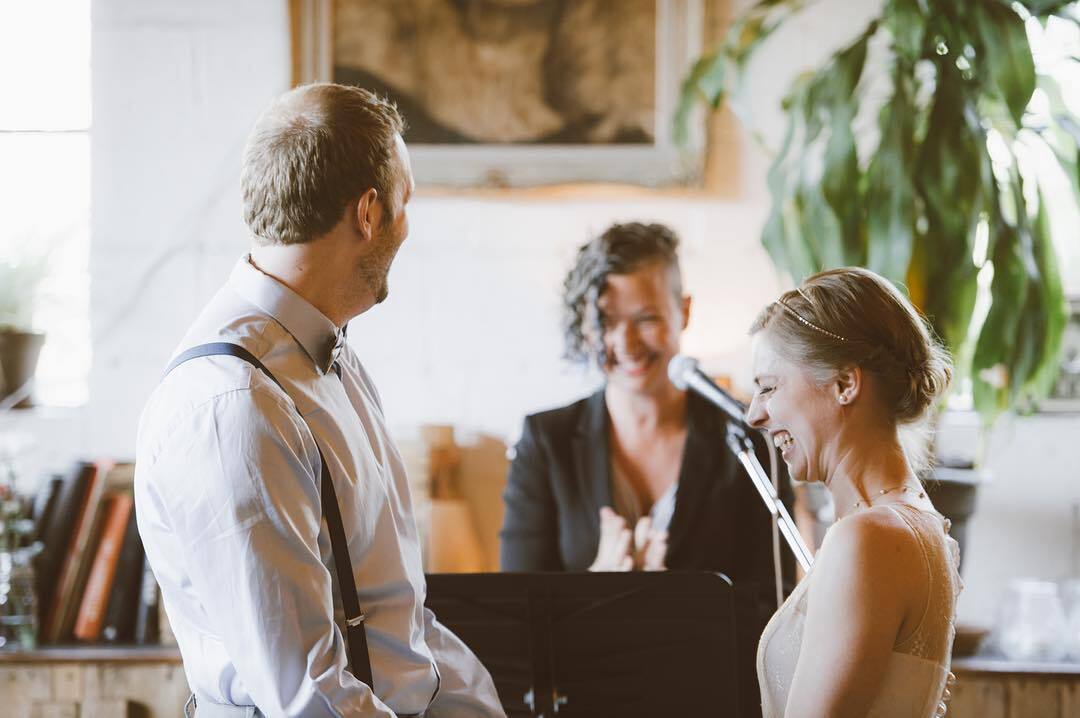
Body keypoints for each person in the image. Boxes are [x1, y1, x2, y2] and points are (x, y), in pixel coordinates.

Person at [135, 84, 505, 718]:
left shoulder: (333, 359)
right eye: (405, 201)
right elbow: (308, 696)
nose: (407, 224)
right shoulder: (233, 407)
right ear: (368, 213)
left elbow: (397, 618)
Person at [499, 221, 793, 716]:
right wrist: (595, 587)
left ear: (684, 312)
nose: (626, 342)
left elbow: (772, 614)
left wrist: (670, 607)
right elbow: (516, 626)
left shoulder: (745, 439)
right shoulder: (545, 443)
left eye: (647, 318)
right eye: (607, 321)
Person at [746, 267, 961, 718]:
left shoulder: (869, 539)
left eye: (769, 387)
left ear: (845, 384)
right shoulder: (918, 522)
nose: (754, 415)